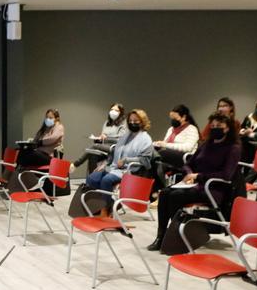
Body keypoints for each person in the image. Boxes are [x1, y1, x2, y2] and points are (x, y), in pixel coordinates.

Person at [147, 113, 241, 251]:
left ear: (227, 129)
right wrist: (189, 173)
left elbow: (226, 175)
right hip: (193, 184)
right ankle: (160, 236)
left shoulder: (233, 148)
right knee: (165, 193)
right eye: (213, 126)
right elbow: (188, 163)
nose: (215, 128)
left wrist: (198, 176)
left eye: (219, 126)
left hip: (213, 188)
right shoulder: (206, 144)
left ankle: (175, 236)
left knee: (175, 196)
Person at [86, 109, 153, 193]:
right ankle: (101, 200)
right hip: (115, 168)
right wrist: (105, 164)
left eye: (136, 121)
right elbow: (115, 152)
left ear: (142, 122)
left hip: (130, 170)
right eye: (130, 121)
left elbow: (145, 160)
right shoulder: (125, 136)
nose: (132, 123)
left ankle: (108, 204)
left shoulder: (146, 139)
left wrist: (126, 160)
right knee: (92, 178)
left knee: (106, 180)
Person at [152, 105, 200, 187]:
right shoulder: (171, 129)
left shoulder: (191, 129)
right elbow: (166, 143)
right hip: (171, 156)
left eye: (175, 118)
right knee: (151, 154)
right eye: (171, 118)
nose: (173, 120)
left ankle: (157, 188)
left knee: (162, 154)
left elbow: (187, 148)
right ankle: (153, 189)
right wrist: (158, 144)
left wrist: (166, 144)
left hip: (186, 157)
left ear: (184, 117)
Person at [73, 103, 127, 168]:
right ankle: (91, 177)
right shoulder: (107, 122)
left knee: (94, 146)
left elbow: (120, 138)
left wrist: (107, 137)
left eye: (116, 110)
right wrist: (99, 138)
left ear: (121, 112)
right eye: (112, 109)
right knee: (92, 154)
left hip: (114, 148)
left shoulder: (124, 123)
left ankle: (76, 164)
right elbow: (103, 135)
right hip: (104, 146)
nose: (113, 112)